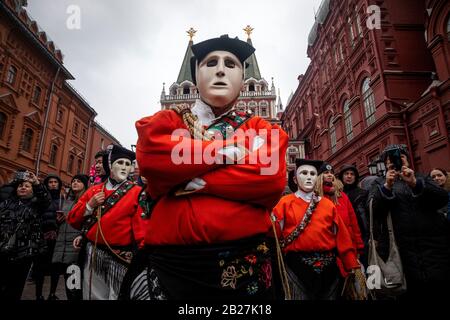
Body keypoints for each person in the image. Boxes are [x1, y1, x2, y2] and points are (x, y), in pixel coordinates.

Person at [130, 34, 288, 300]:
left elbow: (268, 178)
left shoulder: (260, 126)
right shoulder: (171, 119)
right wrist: (224, 153)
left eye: (231, 64)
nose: (220, 70)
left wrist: (195, 179)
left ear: (242, 80)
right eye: (210, 63)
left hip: (244, 268)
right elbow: (153, 159)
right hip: (173, 267)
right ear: (196, 77)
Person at [272, 159, 362, 300]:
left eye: (312, 174)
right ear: (295, 180)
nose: (309, 176)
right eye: (304, 173)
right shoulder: (285, 203)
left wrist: (351, 263)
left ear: (316, 178)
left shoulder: (327, 204)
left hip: (329, 268)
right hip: (296, 267)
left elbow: (341, 236)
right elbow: (274, 235)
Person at [369, 144, 450, 299]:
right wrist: (387, 186)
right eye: (389, 160)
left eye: (400, 158)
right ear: (385, 164)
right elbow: (373, 210)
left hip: (435, 252)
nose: (394, 162)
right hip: (401, 253)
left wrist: (414, 182)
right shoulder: (379, 184)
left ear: (407, 159)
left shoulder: (421, 178)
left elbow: (441, 198)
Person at [67, 145, 145, 300]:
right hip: (93, 254)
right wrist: (90, 205)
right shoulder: (94, 191)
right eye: (120, 163)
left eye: (127, 164)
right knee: (92, 295)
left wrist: (143, 258)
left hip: (121, 259)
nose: (124, 167)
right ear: (110, 165)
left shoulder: (137, 192)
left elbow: (142, 230)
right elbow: (73, 220)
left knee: (116, 296)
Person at [0, 171, 50, 300]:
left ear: (32, 190)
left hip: (23, 253)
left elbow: (46, 198)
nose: (23, 187)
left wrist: (37, 183)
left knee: (15, 287)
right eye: (20, 185)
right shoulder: (6, 203)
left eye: (27, 186)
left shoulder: (36, 204)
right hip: (3, 250)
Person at [316, 163, 364, 263]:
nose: (329, 175)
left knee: (353, 275)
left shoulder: (342, 195)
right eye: (326, 173)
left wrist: (359, 245)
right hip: (327, 246)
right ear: (320, 176)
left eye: (331, 173)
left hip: (348, 244)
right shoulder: (316, 197)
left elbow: (353, 221)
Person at [51, 174, 89, 300]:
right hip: (62, 246)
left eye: (78, 181)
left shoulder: (87, 202)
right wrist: (58, 220)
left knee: (75, 284)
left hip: (76, 247)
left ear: (85, 184)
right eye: (73, 181)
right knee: (69, 283)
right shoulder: (67, 202)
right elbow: (62, 223)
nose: (75, 183)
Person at [33, 173, 63, 300]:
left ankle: (52, 293)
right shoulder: (40, 199)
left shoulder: (63, 199)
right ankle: (39, 295)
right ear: (46, 184)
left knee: (55, 267)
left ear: (59, 184)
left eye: (55, 182)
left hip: (57, 238)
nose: (53, 184)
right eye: (50, 182)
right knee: (39, 267)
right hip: (42, 237)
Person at [338, 165, 369, 267]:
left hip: (363, 235)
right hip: (345, 236)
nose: (349, 176)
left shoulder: (363, 193)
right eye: (346, 174)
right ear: (342, 177)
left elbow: (367, 216)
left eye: (352, 174)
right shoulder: (337, 195)